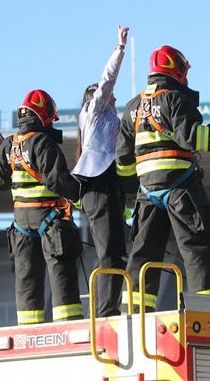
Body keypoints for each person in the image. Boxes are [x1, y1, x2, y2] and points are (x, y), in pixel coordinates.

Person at [115, 45, 210, 311]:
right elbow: (197, 139)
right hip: (180, 189)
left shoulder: (133, 108)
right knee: (198, 246)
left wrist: (129, 197)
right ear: (178, 71)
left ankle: (136, 314)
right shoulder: (175, 100)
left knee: (144, 254)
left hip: (147, 194)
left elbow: (123, 163)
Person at [0, 89, 84, 324]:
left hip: (21, 224)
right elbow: (58, 180)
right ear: (43, 117)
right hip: (50, 220)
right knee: (61, 272)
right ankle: (69, 324)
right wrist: (81, 197)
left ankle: (28, 329)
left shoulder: (8, 146)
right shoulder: (43, 142)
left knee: (27, 279)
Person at [72, 26, 130, 317]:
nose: (115, 99)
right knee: (109, 252)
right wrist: (119, 49)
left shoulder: (110, 121)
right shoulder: (93, 112)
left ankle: (108, 307)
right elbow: (107, 80)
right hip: (98, 189)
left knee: (116, 253)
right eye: (111, 96)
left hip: (109, 190)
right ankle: (106, 310)